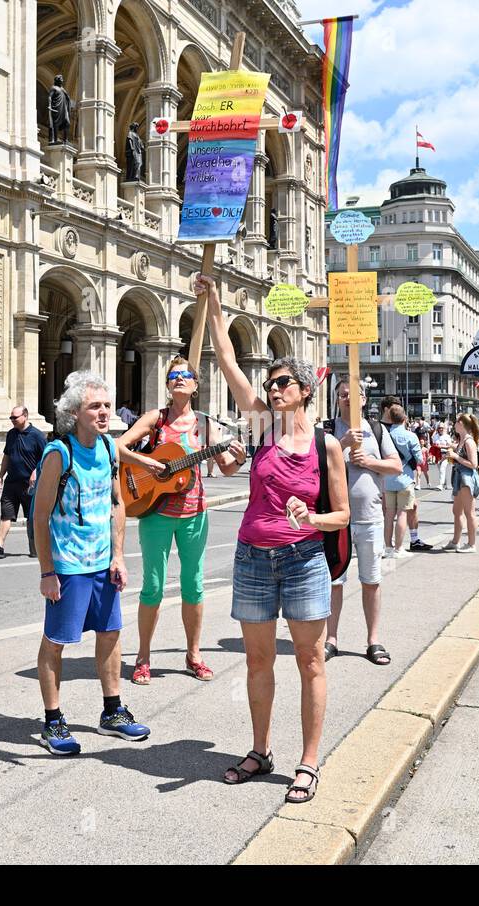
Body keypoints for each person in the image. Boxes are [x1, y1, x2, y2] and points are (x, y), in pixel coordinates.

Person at [198, 274, 349, 805]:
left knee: (310, 661)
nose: (272, 390)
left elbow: (343, 516)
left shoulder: (326, 445)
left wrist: (310, 518)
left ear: (306, 389)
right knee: (258, 661)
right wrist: (214, 301)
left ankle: (309, 761)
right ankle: (261, 750)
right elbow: (226, 359)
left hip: (305, 560)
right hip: (253, 558)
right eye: (271, 384)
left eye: (283, 383)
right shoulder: (261, 428)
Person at [31, 370, 145, 756]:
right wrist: (48, 572)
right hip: (68, 565)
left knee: (111, 634)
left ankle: (112, 712)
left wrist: (118, 556)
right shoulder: (58, 453)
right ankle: (53, 721)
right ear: (74, 412)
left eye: (107, 405)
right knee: (57, 641)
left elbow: (117, 503)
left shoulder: (110, 448)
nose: (103, 412)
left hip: (102, 563)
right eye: (94, 406)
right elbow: (40, 516)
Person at [116, 356, 246, 685]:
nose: (179, 379)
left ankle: (194, 655)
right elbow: (117, 446)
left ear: (196, 384)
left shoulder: (206, 425)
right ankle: (143, 658)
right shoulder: (155, 419)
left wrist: (238, 460)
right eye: (173, 375)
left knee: (194, 585)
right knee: (153, 587)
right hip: (156, 513)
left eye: (185, 375)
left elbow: (226, 467)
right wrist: (146, 463)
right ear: (167, 384)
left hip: (194, 514)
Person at [324, 378, 402, 665]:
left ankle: (373, 640)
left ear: (364, 399)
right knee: (334, 581)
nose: (347, 399)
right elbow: (316, 468)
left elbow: (395, 466)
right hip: (337, 519)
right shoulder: (328, 430)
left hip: (369, 517)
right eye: (342, 395)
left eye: (352, 395)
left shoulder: (376, 430)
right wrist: (341, 446)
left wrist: (368, 462)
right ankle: (331, 640)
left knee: (371, 580)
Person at [0, 406, 47, 559]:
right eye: (11, 418)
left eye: (15, 418)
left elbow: (47, 458)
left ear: (25, 416)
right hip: (11, 482)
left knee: (31, 518)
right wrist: (0, 475)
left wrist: (36, 471)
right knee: (6, 514)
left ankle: (35, 548)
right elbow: (7, 455)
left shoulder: (37, 436)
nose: (12, 420)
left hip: (29, 485)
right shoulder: (11, 434)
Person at [384, 406, 429, 555]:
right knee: (402, 514)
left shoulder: (385, 435)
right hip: (404, 478)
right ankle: (398, 548)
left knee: (389, 515)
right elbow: (419, 459)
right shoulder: (410, 436)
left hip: (388, 479)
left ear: (390, 418)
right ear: (405, 419)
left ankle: (388, 548)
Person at [446, 413, 479, 552]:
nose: (454, 424)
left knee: (469, 512)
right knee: (457, 511)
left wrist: (456, 456)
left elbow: (474, 464)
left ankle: (471, 544)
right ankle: (456, 541)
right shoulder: (462, 440)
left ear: (461, 424)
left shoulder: (468, 441)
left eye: (456, 422)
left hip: (466, 479)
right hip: (459, 477)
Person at [432, 423, 453, 491]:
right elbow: (433, 445)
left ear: (444, 429)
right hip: (438, 454)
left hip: (445, 454)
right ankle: (445, 484)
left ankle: (441, 484)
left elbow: (450, 446)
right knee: (441, 470)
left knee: (442, 469)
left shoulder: (447, 436)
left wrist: (442, 446)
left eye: (442, 428)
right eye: (439, 428)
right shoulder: (435, 436)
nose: (440, 429)